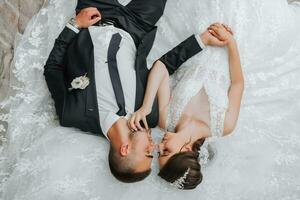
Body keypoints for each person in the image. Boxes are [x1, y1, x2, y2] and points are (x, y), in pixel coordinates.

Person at [43, 0, 228, 183]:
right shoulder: (150, 116)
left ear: (125, 149)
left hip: (94, 15)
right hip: (137, 24)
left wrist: (75, 24)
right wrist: (202, 40)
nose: (153, 145)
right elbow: (164, 67)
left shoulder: (72, 115)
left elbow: (53, 68)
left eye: (147, 152)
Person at [129, 23, 244, 189]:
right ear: (187, 150)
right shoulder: (224, 126)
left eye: (159, 152)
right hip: (229, 50)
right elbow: (238, 84)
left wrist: (146, 106)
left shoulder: (165, 120)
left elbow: (161, 67)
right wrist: (231, 42)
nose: (158, 145)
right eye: (166, 151)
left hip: (198, 37)